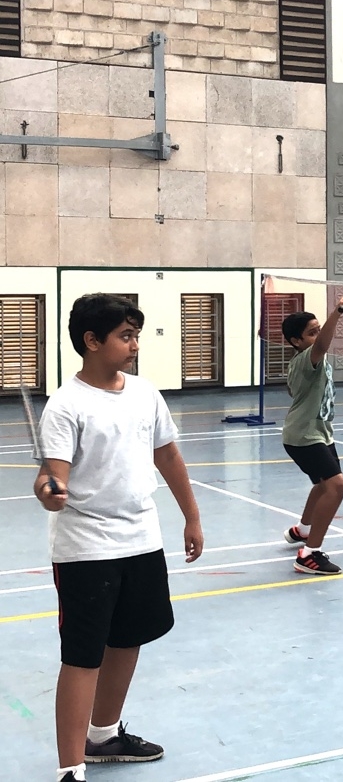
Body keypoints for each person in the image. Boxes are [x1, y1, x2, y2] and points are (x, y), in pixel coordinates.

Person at [33, 294, 204, 782]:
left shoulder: (145, 393)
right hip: (87, 548)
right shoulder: (67, 405)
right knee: (83, 655)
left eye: (135, 335)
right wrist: (50, 490)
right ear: (92, 341)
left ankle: (104, 736)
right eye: (125, 336)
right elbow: (52, 477)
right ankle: (71, 769)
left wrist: (191, 518)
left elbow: (167, 456)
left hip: (142, 539)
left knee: (128, 640)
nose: (133, 346)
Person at [280, 294, 343, 575]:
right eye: (312, 333)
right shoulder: (306, 358)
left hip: (320, 433)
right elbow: (324, 343)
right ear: (296, 342)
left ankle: (302, 530)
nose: (319, 336)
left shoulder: (308, 360)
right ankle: (309, 555)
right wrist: (338, 311)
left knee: (323, 485)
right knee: (336, 486)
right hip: (304, 436)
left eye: (318, 329)